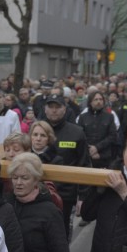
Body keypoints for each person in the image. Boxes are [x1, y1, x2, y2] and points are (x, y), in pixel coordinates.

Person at [42, 93, 91, 237]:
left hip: (65, 195)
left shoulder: (76, 132)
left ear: (65, 109)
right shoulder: (37, 130)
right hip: (37, 192)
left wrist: (82, 197)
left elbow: (84, 164)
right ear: (45, 109)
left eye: (58, 107)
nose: (54, 110)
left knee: (61, 236)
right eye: (51, 107)